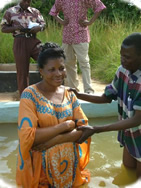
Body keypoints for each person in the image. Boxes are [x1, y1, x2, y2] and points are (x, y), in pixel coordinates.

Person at [16, 42, 91, 187]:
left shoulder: (69, 94)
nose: (58, 74)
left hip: (70, 168)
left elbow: (85, 129)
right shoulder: (30, 95)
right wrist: (66, 125)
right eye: (52, 70)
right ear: (41, 71)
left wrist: (53, 141)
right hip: (42, 172)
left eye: (61, 68)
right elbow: (28, 137)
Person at [70, 33, 141, 178]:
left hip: (138, 132)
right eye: (121, 55)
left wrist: (96, 129)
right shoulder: (122, 71)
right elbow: (106, 97)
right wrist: (78, 95)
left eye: (127, 57)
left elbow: (136, 120)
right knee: (127, 170)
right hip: (130, 134)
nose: (122, 60)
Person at [49, 0, 106, 94]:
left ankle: (88, 89)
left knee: (84, 62)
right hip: (67, 35)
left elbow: (99, 6)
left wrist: (90, 22)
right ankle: (73, 89)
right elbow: (53, 11)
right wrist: (62, 21)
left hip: (81, 34)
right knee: (68, 62)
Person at [1, 0, 46, 96]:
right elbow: (3, 28)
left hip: (33, 40)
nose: (26, 3)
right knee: (22, 71)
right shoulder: (10, 11)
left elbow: (43, 24)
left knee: (46, 60)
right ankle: (24, 97)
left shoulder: (35, 11)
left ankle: (46, 90)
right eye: (24, 1)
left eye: (28, 1)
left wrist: (39, 28)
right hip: (20, 41)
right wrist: (16, 28)